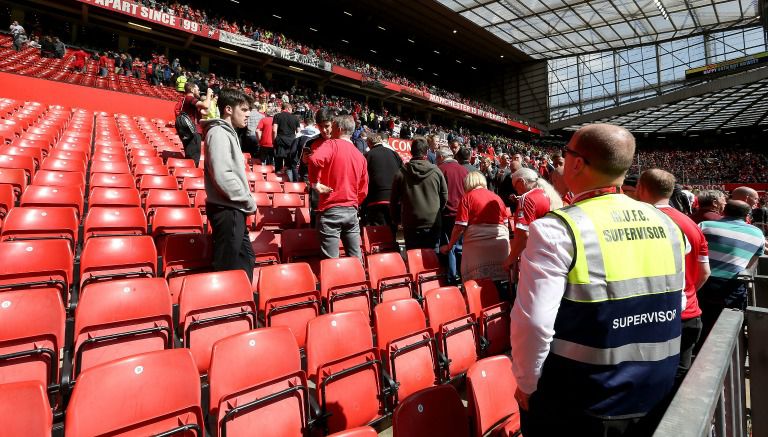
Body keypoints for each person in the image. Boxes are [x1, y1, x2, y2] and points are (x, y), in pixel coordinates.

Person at [511, 124, 685, 436]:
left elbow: (535, 323)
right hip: (657, 392)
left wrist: (526, 383)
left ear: (577, 163)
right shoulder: (667, 223)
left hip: (582, 401)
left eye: (566, 154)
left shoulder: (557, 229)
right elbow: (679, 299)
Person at [636, 168, 710, 383]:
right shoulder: (692, 225)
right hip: (689, 313)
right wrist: (687, 294)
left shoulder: (639, 220)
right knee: (679, 376)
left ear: (640, 188)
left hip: (649, 316)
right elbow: (704, 272)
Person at [201, 88, 256, 281]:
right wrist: (248, 201)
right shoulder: (218, 133)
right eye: (243, 109)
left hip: (233, 209)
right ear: (228, 110)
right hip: (227, 209)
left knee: (245, 262)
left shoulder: (227, 133)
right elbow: (223, 175)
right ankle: (222, 307)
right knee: (227, 269)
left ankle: (242, 305)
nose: (248, 113)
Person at [698, 200, 765, 341]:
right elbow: (750, 264)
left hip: (703, 282)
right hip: (733, 285)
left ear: (723, 211)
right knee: (730, 327)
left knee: (703, 322)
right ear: (747, 215)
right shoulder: (757, 233)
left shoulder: (704, 226)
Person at [307, 114, 368, 260]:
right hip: (351, 211)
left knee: (331, 261)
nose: (329, 132)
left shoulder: (331, 144)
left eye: (332, 128)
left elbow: (314, 160)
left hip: (331, 210)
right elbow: (364, 189)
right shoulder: (360, 156)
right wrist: (353, 202)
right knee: (355, 258)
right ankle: (358, 282)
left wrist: (316, 184)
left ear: (339, 129)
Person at [441, 171, 509, 281]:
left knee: (477, 281)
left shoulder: (467, 198)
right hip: (500, 243)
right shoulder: (497, 197)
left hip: (477, 246)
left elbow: (460, 227)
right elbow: (506, 223)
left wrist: (450, 246)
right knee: (501, 281)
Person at [391, 137, 448, 250]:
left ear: (411, 152)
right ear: (426, 152)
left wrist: (397, 220)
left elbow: (393, 201)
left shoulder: (401, 173)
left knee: (414, 259)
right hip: (432, 222)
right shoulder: (436, 172)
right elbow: (444, 197)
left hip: (411, 223)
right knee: (432, 260)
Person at [502, 167, 563, 274]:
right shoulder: (549, 194)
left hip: (534, 259)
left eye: (515, 187)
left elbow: (523, 235)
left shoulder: (526, 198)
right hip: (551, 256)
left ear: (521, 181)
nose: (517, 191)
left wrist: (511, 258)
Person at [438, 147, 469, 284]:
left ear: (441, 157)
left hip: (447, 213)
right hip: (463, 214)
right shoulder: (463, 170)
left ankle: (451, 279)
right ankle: (463, 277)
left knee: (450, 246)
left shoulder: (440, 169)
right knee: (461, 247)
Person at [363, 131, 402, 228]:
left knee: (379, 233)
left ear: (368, 143)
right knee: (392, 231)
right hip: (394, 198)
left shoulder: (368, 155)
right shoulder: (394, 154)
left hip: (375, 199)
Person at [180, 82, 211, 166]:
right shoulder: (189, 98)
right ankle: (190, 173)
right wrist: (208, 94)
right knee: (193, 158)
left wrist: (210, 99)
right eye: (197, 89)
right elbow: (205, 105)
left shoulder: (190, 102)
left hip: (193, 131)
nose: (199, 91)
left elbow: (205, 112)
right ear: (192, 90)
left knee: (194, 156)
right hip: (192, 131)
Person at [272, 102, 300, 179]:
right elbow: (298, 132)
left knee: (278, 164)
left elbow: (274, 130)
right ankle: (289, 184)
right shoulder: (295, 118)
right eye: (291, 109)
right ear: (288, 108)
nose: (292, 111)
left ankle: (277, 184)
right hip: (291, 143)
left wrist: (274, 141)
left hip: (280, 141)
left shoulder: (277, 116)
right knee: (289, 165)